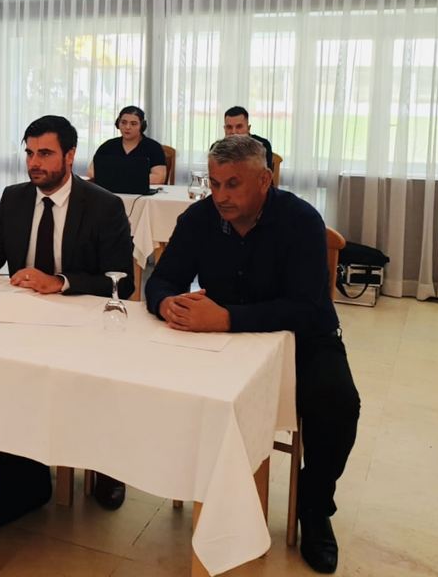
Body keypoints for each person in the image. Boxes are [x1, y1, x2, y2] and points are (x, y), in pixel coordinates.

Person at [145, 135, 360, 575]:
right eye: (214, 184)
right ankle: (193, 479)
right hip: (222, 340)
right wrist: (167, 303)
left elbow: (306, 307)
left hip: (302, 337)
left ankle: (315, 507)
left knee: (338, 403)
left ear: (264, 181)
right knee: (157, 381)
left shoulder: (301, 220)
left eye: (233, 184)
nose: (221, 196)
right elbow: (162, 280)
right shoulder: (199, 218)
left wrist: (227, 318)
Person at [0, 115, 135, 511]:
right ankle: (13, 447)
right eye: (29, 153)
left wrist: (60, 282)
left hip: (80, 321)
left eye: (45, 153)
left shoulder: (103, 205)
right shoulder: (15, 197)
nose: (34, 163)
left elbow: (122, 281)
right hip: (21, 318)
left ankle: (105, 464)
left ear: (70, 155)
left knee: (91, 378)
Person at [89, 105, 168, 185]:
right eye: (123, 122)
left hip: (140, 191)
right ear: (118, 123)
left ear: (142, 126)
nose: (127, 127)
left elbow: (159, 177)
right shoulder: (108, 146)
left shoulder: (153, 147)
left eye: (133, 124)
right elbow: (91, 171)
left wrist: (120, 179)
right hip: (111, 190)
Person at [222, 105, 274, 170]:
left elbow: (266, 175)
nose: (234, 132)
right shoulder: (217, 149)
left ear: (248, 128)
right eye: (229, 127)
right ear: (224, 129)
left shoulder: (262, 145)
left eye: (239, 126)